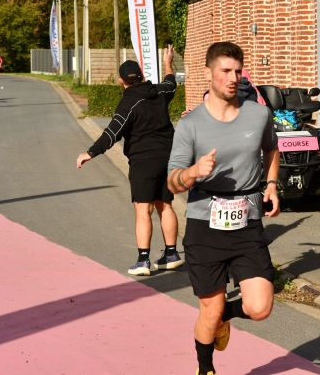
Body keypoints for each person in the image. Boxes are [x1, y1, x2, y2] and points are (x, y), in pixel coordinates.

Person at [167, 41, 280, 375]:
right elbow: (172, 182)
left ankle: (223, 317)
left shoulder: (258, 114)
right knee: (210, 309)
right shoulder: (191, 124)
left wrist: (272, 184)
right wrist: (192, 172)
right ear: (208, 73)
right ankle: (205, 369)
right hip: (205, 226)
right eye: (225, 71)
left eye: (237, 71)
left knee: (260, 307)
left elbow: (272, 149)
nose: (233, 78)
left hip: (247, 223)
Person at [77, 46, 183, 276]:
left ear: (121, 81)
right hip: (168, 156)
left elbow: (112, 133)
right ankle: (171, 254)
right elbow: (171, 82)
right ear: (142, 76)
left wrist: (90, 153)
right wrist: (168, 61)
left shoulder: (127, 104)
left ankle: (143, 261)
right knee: (165, 205)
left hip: (143, 161)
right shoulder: (159, 91)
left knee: (143, 209)